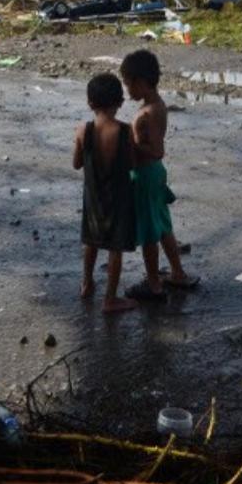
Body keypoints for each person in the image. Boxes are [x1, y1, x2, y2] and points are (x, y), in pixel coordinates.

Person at [119, 49, 199, 302]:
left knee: (148, 231)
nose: (126, 90)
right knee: (162, 224)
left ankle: (153, 284)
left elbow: (156, 150)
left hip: (145, 174)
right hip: (154, 175)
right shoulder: (158, 105)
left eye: (128, 83)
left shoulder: (146, 115)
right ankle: (177, 273)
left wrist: (128, 145)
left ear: (140, 82)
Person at [73, 73, 138, 313]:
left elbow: (77, 164)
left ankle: (87, 283)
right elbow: (131, 164)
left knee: (91, 241)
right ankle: (110, 298)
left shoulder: (83, 130)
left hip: (93, 199)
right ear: (120, 102)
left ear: (90, 103)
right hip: (119, 199)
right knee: (115, 249)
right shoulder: (125, 131)